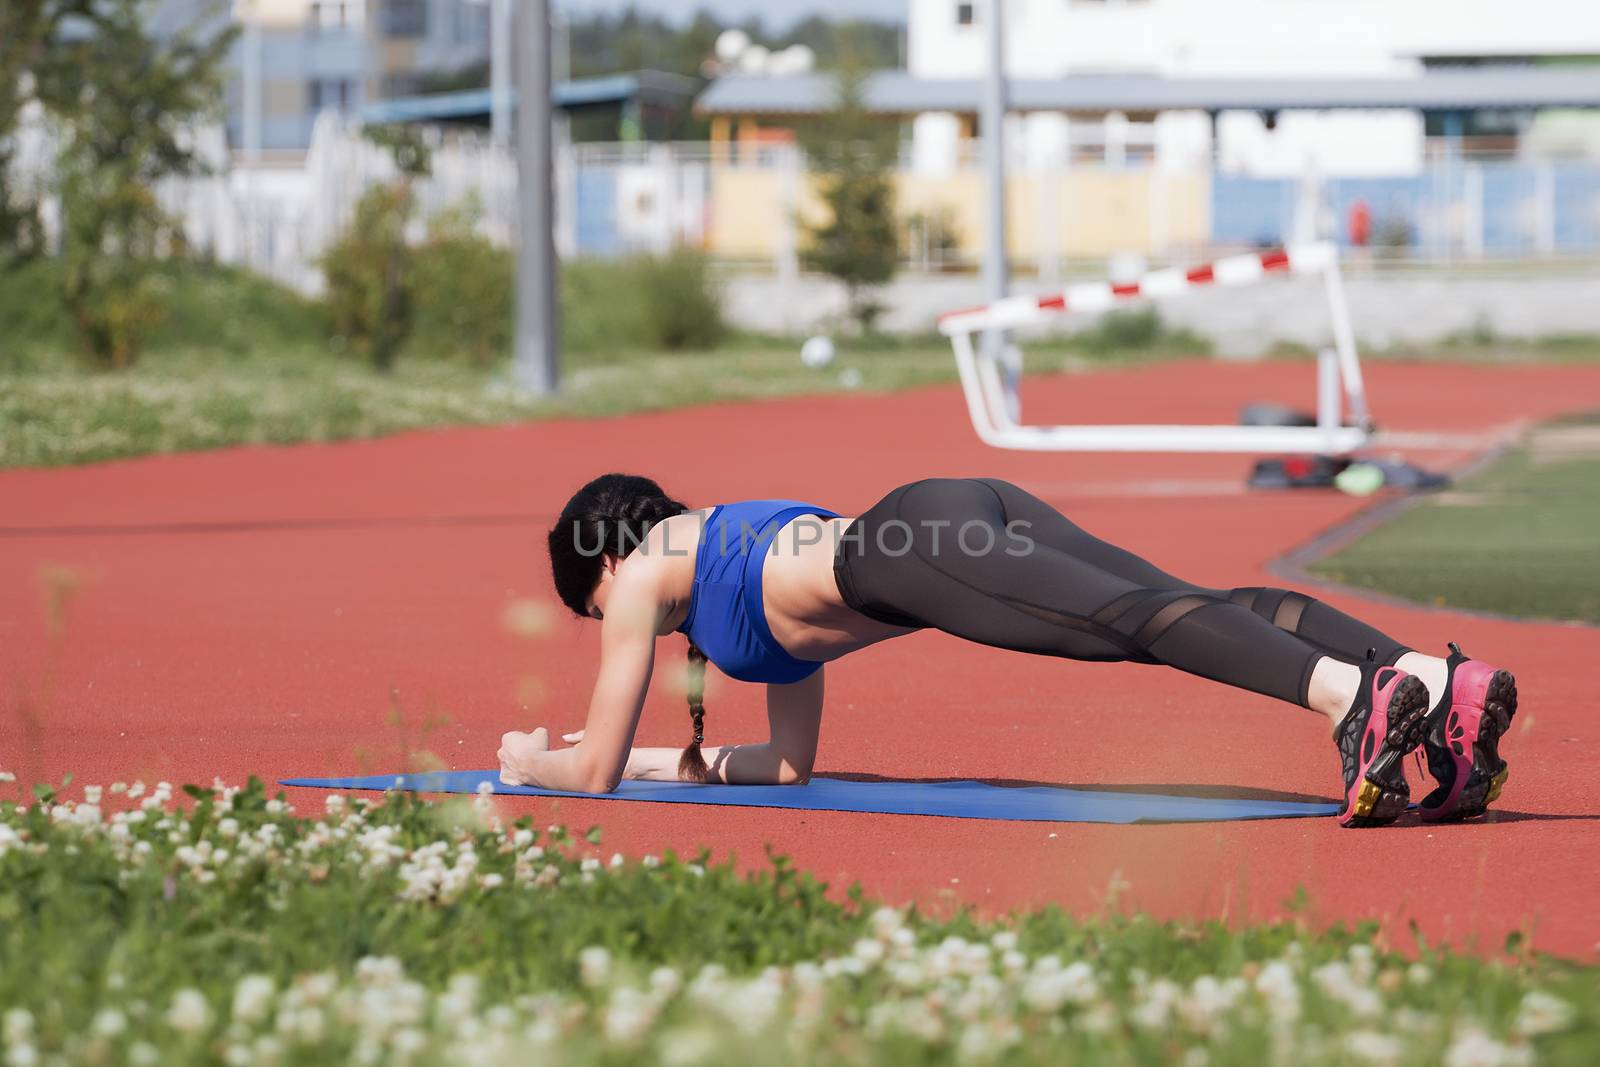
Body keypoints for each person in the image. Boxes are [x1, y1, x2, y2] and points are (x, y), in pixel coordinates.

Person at [499, 474, 1517, 828]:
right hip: (948, 512)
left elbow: (582, 776)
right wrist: (643, 757)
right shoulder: (720, 564)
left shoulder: (638, 575)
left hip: (919, 542)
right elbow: (786, 763)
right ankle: (1434, 681)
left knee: (1137, 621)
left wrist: (528, 759)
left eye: (591, 609)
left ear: (603, 556)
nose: (613, 629)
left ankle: (1353, 699)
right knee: (1175, 603)